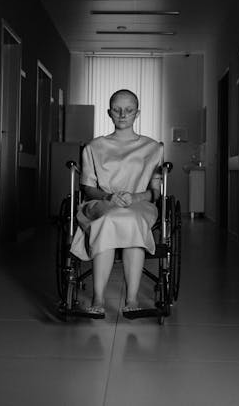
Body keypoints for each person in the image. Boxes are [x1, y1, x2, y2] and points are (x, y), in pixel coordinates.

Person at [70, 89, 163, 319]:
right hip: (101, 202)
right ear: (109, 112)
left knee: (131, 219)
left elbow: (156, 193)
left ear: (137, 113)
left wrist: (136, 198)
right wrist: (107, 197)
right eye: (117, 109)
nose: (123, 114)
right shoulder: (94, 147)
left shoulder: (153, 148)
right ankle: (98, 298)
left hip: (139, 204)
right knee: (109, 218)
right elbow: (87, 187)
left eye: (129, 110)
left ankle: (132, 299)